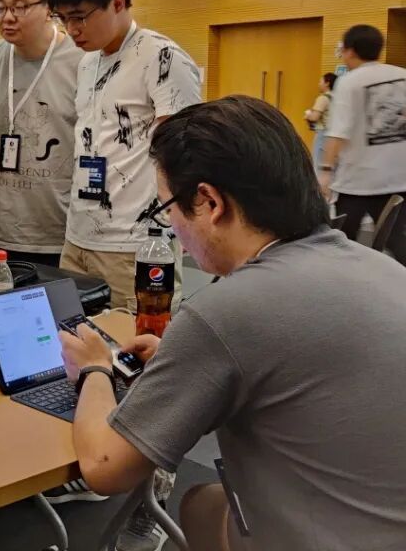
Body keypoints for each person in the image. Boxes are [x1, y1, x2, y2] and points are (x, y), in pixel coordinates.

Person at [60, 95, 406, 551]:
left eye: (167, 209)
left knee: (201, 506)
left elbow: (105, 468)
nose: (174, 228)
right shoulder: (383, 269)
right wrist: (187, 360)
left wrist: (94, 370)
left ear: (209, 203)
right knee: (205, 502)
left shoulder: (226, 311)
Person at [46, 0, 202, 310]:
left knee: (136, 340)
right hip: (78, 236)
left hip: (136, 245)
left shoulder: (162, 57)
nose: (71, 29)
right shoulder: (88, 62)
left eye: (79, 17)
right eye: (63, 18)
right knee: (71, 337)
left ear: (118, 3)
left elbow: (184, 156)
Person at [0, 0, 83, 267]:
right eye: (0, 7)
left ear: (49, 9)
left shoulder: (81, 61)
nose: (7, 17)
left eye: (20, 7)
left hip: (58, 237)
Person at [320, 24, 406, 264]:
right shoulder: (403, 76)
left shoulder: (350, 82)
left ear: (350, 51)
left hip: (358, 182)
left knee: (344, 242)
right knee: (396, 240)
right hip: (399, 180)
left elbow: (338, 132)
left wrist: (325, 171)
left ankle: (348, 282)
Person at [304, 72, 336, 168]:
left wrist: (308, 115)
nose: (319, 84)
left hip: (323, 134)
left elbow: (314, 117)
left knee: (318, 163)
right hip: (334, 135)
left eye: (320, 81)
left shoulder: (323, 98)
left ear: (327, 83)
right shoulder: (337, 98)